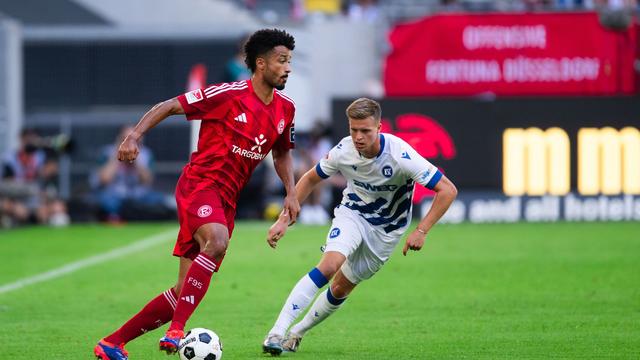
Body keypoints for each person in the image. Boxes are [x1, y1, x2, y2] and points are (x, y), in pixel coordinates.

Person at [94, 28, 299, 360]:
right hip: (199, 185)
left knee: (184, 288)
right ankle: (177, 331)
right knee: (217, 242)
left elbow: (282, 153)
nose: (288, 67)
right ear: (261, 64)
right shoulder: (227, 94)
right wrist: (134, 136)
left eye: (290, 60)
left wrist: (291, 192)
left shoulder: (286, 109)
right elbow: (169, 106)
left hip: (227, 199)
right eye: (281, 60)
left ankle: (112, 343)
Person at [261, 98, 457, 355]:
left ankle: (298, 333)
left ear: (379, 127)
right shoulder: (344, 151)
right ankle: (276, 332)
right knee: (329, 265)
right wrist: (284, 219)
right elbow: (309, 178)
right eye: (354, 130)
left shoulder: (400, 154)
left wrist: (422, 230)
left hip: (387, 232)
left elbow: (447, 190)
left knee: (342, 287)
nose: (358, 137)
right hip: (352, 214)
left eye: (365, 130)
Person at [90, 126, 170, 223]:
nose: (129, 144)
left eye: (133, 140)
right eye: (126, 139)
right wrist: (118, 153)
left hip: (139, 196)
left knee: (161, 201)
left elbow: (147, 180)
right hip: (114, 195)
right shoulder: (107, 152)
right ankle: (114, 217)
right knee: (102, 200)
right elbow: (104, 179)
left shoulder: (146, 153)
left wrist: (135, 159)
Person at [0, 128, 69, 228]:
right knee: (7, 206)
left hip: (35, 199)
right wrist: (14, 205)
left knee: (57, 208)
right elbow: (6, 186)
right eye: (28, 139)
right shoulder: (9, 159)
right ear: (21, 139)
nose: (31, 143)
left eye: (33, 139)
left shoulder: (40, 157)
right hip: (14, 199)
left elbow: (46, 183)